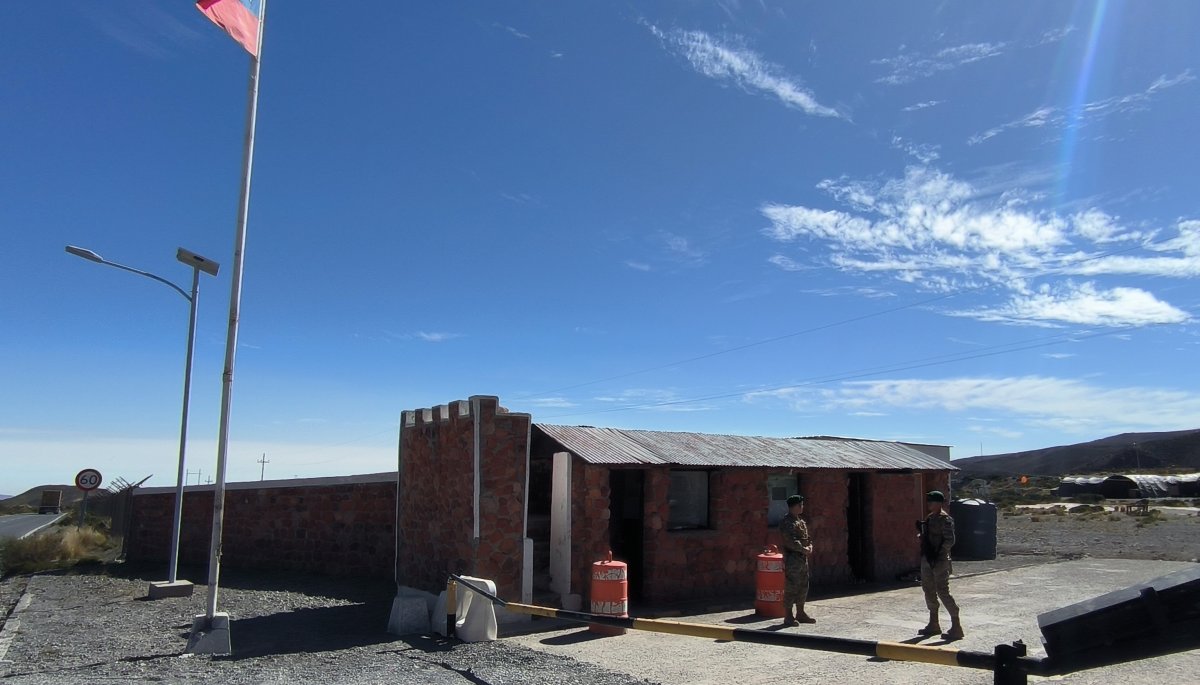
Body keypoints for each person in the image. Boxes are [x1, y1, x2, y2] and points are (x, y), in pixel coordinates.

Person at [916, 490, 963, 640]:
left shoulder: (945, 519)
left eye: (932, 501)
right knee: (928, 589)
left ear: (939, 503)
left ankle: (956, 625)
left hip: (940, 560)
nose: (929, 504)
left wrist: (939, 553)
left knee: (942, 591)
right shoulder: (930, 518)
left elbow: (950, 540)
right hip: (928, 558)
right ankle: (933, 623)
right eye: (929, 501)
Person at [778, 493, 815, 626]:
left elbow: (807, 538)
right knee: (791, 587)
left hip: (802, 559)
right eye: (800, 505)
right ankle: (788, 615)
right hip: (793, 558)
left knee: (803, 585)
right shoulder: (787, 522)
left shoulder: (800, 521)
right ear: (794, 506)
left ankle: (801, 612)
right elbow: (790, 541)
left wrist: (809, 546)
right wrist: (803, 549)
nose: (802, 507)